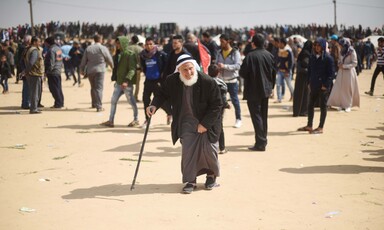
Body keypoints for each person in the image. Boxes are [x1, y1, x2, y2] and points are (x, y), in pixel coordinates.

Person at [146, 54, 222, 194]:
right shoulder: (172, 81)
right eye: (184, 70)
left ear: (195, 67)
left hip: (207, 122)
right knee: (188, 151)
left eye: (191, 69)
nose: (188, 73)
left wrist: (205, 124)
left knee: (209, 150)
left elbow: (217, 105)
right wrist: (154, 105)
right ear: (179, 70)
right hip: (185, 121)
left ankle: (211, 176)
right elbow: (161, 93)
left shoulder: (207, 81)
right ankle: (190, 180)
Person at [239, 33, 276, 151]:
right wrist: (271, 87)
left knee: (256, 116)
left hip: (253, 90)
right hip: (266, 90)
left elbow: (242, 73)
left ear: (253, 43)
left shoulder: (250, 56)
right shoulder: (269, 55)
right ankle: (263, 138)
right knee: (263, 115)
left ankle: (261, 142)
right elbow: (274, 73)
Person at [100, 36, 139, 128]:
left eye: (119, 43)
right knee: (113, 101)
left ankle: (136, 119)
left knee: (131, 102)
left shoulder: (130, 54)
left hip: (126, 84)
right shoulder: (117, 55)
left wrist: (126, 80)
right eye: (116, 43)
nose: (117, 45)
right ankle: (111, 120)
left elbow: (132, 69)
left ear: (123, 43)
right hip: (118, 83)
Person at [297, 38, 334, 134]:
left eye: (319, 45)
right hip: (313, 85)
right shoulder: (312, 57)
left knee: (323, 106)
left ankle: (321, 127)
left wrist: (326, 85)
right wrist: (309, 82)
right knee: (310, 105)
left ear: (322, 46)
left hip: (323, 86)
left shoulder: (328, 58)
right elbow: (310, 70)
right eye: (315, 45)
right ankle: (309, 125)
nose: (317, 47)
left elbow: (331, 74)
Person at [140, 37, 172, 128]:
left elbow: (166, 67)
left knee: (160, 102)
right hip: (148, 80)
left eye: (151, 44)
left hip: (158, 81)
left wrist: (163, 79)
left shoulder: (160, 54)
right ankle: (147, 120)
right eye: (147, 44)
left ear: (154, 44)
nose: (148, 46)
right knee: (146, 100)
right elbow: (144, 67)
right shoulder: (143, 55)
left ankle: (170, 113)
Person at [80, 35, 114, 112]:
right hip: (100, 70)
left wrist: (81, 69)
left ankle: (94, 103)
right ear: (101, 40)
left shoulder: (88, 48)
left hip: (90, 70)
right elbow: (108, 58)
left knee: (93, 87)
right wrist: (112, 67)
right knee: (99, 88)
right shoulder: (103, 48)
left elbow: (84, 60)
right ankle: (99, 106)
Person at [327, 38, 360, 112]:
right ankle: (341, 105)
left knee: (348, 89)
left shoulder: (352, 51)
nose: (341, 46)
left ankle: (348, 105)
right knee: (340, 88)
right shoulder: (341, 51)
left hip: (349, 72)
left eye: (342, 45)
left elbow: (355, 63)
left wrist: (345, 66)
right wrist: (339, 64)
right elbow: (339, 59)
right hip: (341, 72)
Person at [217, 34, 242, 128]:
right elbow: (216, 63)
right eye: (220, 41)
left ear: (228, 41)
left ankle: (238, 119)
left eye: (222, 41)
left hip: (232, 81)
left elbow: (237, 66)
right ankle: (220, 120)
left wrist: (225, 66)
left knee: (235, 101)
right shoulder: (219, 52)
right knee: (220, 102)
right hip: (221, 81)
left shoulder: (235, 52)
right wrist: (217, 67)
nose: (221, 43)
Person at [208, 64, 229, 154]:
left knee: (208, 126)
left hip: (208, 109)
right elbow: (223, 98)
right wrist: (226, 105)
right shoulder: (222, 83)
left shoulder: (206, 82)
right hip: (219, 109)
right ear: (218, 73)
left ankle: (210, 147)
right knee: (220, 127)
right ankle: (222, 148)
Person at [25, 36, 45, 114]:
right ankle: (33, 109)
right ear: (34, 42)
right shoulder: (34, 51)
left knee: (36, 92)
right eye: (38, 41)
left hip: (34, 74)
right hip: (34, 74)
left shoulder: (31, 49)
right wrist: (27, 71)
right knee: (35, 92)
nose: (40, 43)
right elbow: (31, 63)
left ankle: (35, 107)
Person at [292, 40, 312, 117]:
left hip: (300, 76)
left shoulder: (302, 53)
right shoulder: (306, 54)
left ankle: (298, 111)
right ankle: (303, 111)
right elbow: (305, 63)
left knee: (299, 94)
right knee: (305, 94)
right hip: (304, 77)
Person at [44, 36, 64, 109]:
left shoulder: (51, 50)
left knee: (53, 88)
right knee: (58, 88)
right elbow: (60, 60)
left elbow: (51, 62)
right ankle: (60, 102)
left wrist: (47, 72)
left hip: (52, 72)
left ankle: (58, 104)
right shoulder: (58, 49)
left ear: (48, 43)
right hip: (58, 70)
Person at [275, 38, 294, 103]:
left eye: (280, 43)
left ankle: (294, 96)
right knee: (278, 84)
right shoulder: (279, 50)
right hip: (280, 71)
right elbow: (278, 59)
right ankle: (279, 98)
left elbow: (291, 62)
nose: (278, 44)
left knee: (289, 85)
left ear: (283, 44)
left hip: (286, 72)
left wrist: (288, 70)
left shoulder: (288, 51)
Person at [128, 35, 143, 102]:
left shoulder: (127, 48)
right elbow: (142, 59)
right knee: (137, 84)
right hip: (137, 69)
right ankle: (135, 97)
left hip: (129, 69)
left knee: (129, 83)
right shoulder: (140, 49)